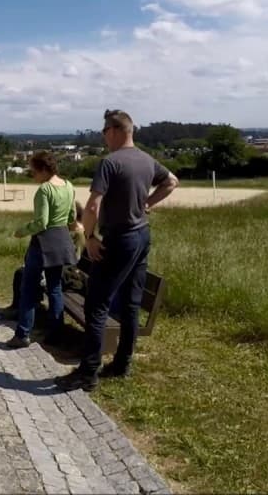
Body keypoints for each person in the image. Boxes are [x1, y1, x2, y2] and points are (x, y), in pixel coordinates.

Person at [55, 109, 178, 392]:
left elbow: (93, 206)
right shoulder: (147, 159)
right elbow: (172, 181)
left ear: (114, 130)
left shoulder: (110, 163)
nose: (103, 137)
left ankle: (88, 372)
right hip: (141, 236)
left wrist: (89, 235)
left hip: (118, 240)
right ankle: (122, 364)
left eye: (103, 132)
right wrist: (147, 203)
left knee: (96, 306)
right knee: (131, 305)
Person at [5, 151, 79, 349]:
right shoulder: (69, 186)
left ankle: (22, 334)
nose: (33, 175)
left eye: (33, 171)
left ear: (43, 169)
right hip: (62, 241)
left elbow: (41, 222)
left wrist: (21, 231)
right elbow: (72, 216)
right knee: (55, 289)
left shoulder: (44, 190)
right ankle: (55, 333)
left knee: (29, 288)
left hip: (43, 244)